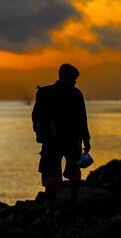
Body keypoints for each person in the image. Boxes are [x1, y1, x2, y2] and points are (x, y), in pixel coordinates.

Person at [32, 64, 91, 215]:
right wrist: (86, 140)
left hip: (50, 140)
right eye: (75, 78)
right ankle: (73, 203)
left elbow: (35, 116)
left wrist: (39, 134)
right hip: (71, 140)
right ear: (69, 77)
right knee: (74, 172)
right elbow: (82, 118)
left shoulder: (44, 92)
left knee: (50, 175)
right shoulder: (75, 93)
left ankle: (51, 209)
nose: (76, 81)